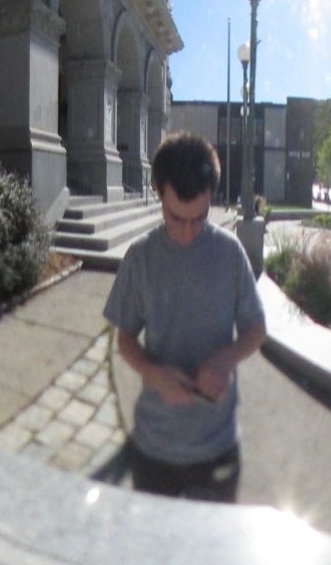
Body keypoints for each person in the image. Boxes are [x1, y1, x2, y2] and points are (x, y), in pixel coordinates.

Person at [104, 132, 265, 501]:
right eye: (176, 218)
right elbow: (124, 340)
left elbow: (256, 329)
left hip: (217, 448)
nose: (189, 232)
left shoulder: (230, 253)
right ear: (158, 193)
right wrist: (154, 374)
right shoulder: (140, 257)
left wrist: (225, 359)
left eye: (200, 218)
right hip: (154, 448)